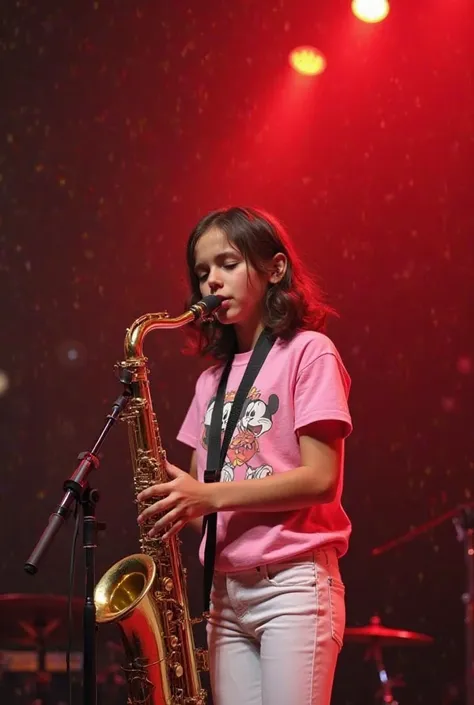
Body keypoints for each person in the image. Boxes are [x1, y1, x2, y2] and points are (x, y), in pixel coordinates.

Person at [137, 206, 353, 705]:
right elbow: (203, 499)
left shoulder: (310, 352)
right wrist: (176, 500)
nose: (211, 281)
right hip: (224, 592)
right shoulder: (210, 381)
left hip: (293, 584)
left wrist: (207, 495)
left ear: (275, 269)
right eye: (201, 272)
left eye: (227, 263)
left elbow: (321, 479)